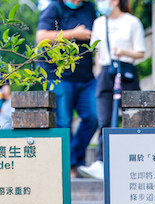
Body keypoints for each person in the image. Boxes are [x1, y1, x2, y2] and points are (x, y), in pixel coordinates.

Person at [77, 0, 145, 180]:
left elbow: (141, 52)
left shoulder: (132, 22)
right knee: (105, 119)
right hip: (106, 73)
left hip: (127, 71)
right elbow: (97, 54)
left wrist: (124, 52)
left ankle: (134, 161)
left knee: (133, 119)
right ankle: (101, 162)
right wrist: (99, 75)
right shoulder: (99, 22)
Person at [36, 0, 98, 177]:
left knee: (94, 116)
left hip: (86, 77)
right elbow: (41, 38)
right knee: (63, 122)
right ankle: (66, 167)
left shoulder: (89, 7)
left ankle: (74, 161)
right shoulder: (54, 8)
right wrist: (73, 34)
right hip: (59, 76)